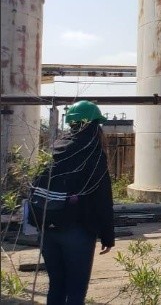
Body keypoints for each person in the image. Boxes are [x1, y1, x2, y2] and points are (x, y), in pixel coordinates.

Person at [29, 100, 115, 305]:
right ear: (95, 125)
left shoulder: (55, 149)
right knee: (76, 292)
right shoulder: (93, 153)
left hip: (48, 229)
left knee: (56, 286)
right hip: (78, 232)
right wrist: (107, 236)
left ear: (72, 124)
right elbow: (103, 198)